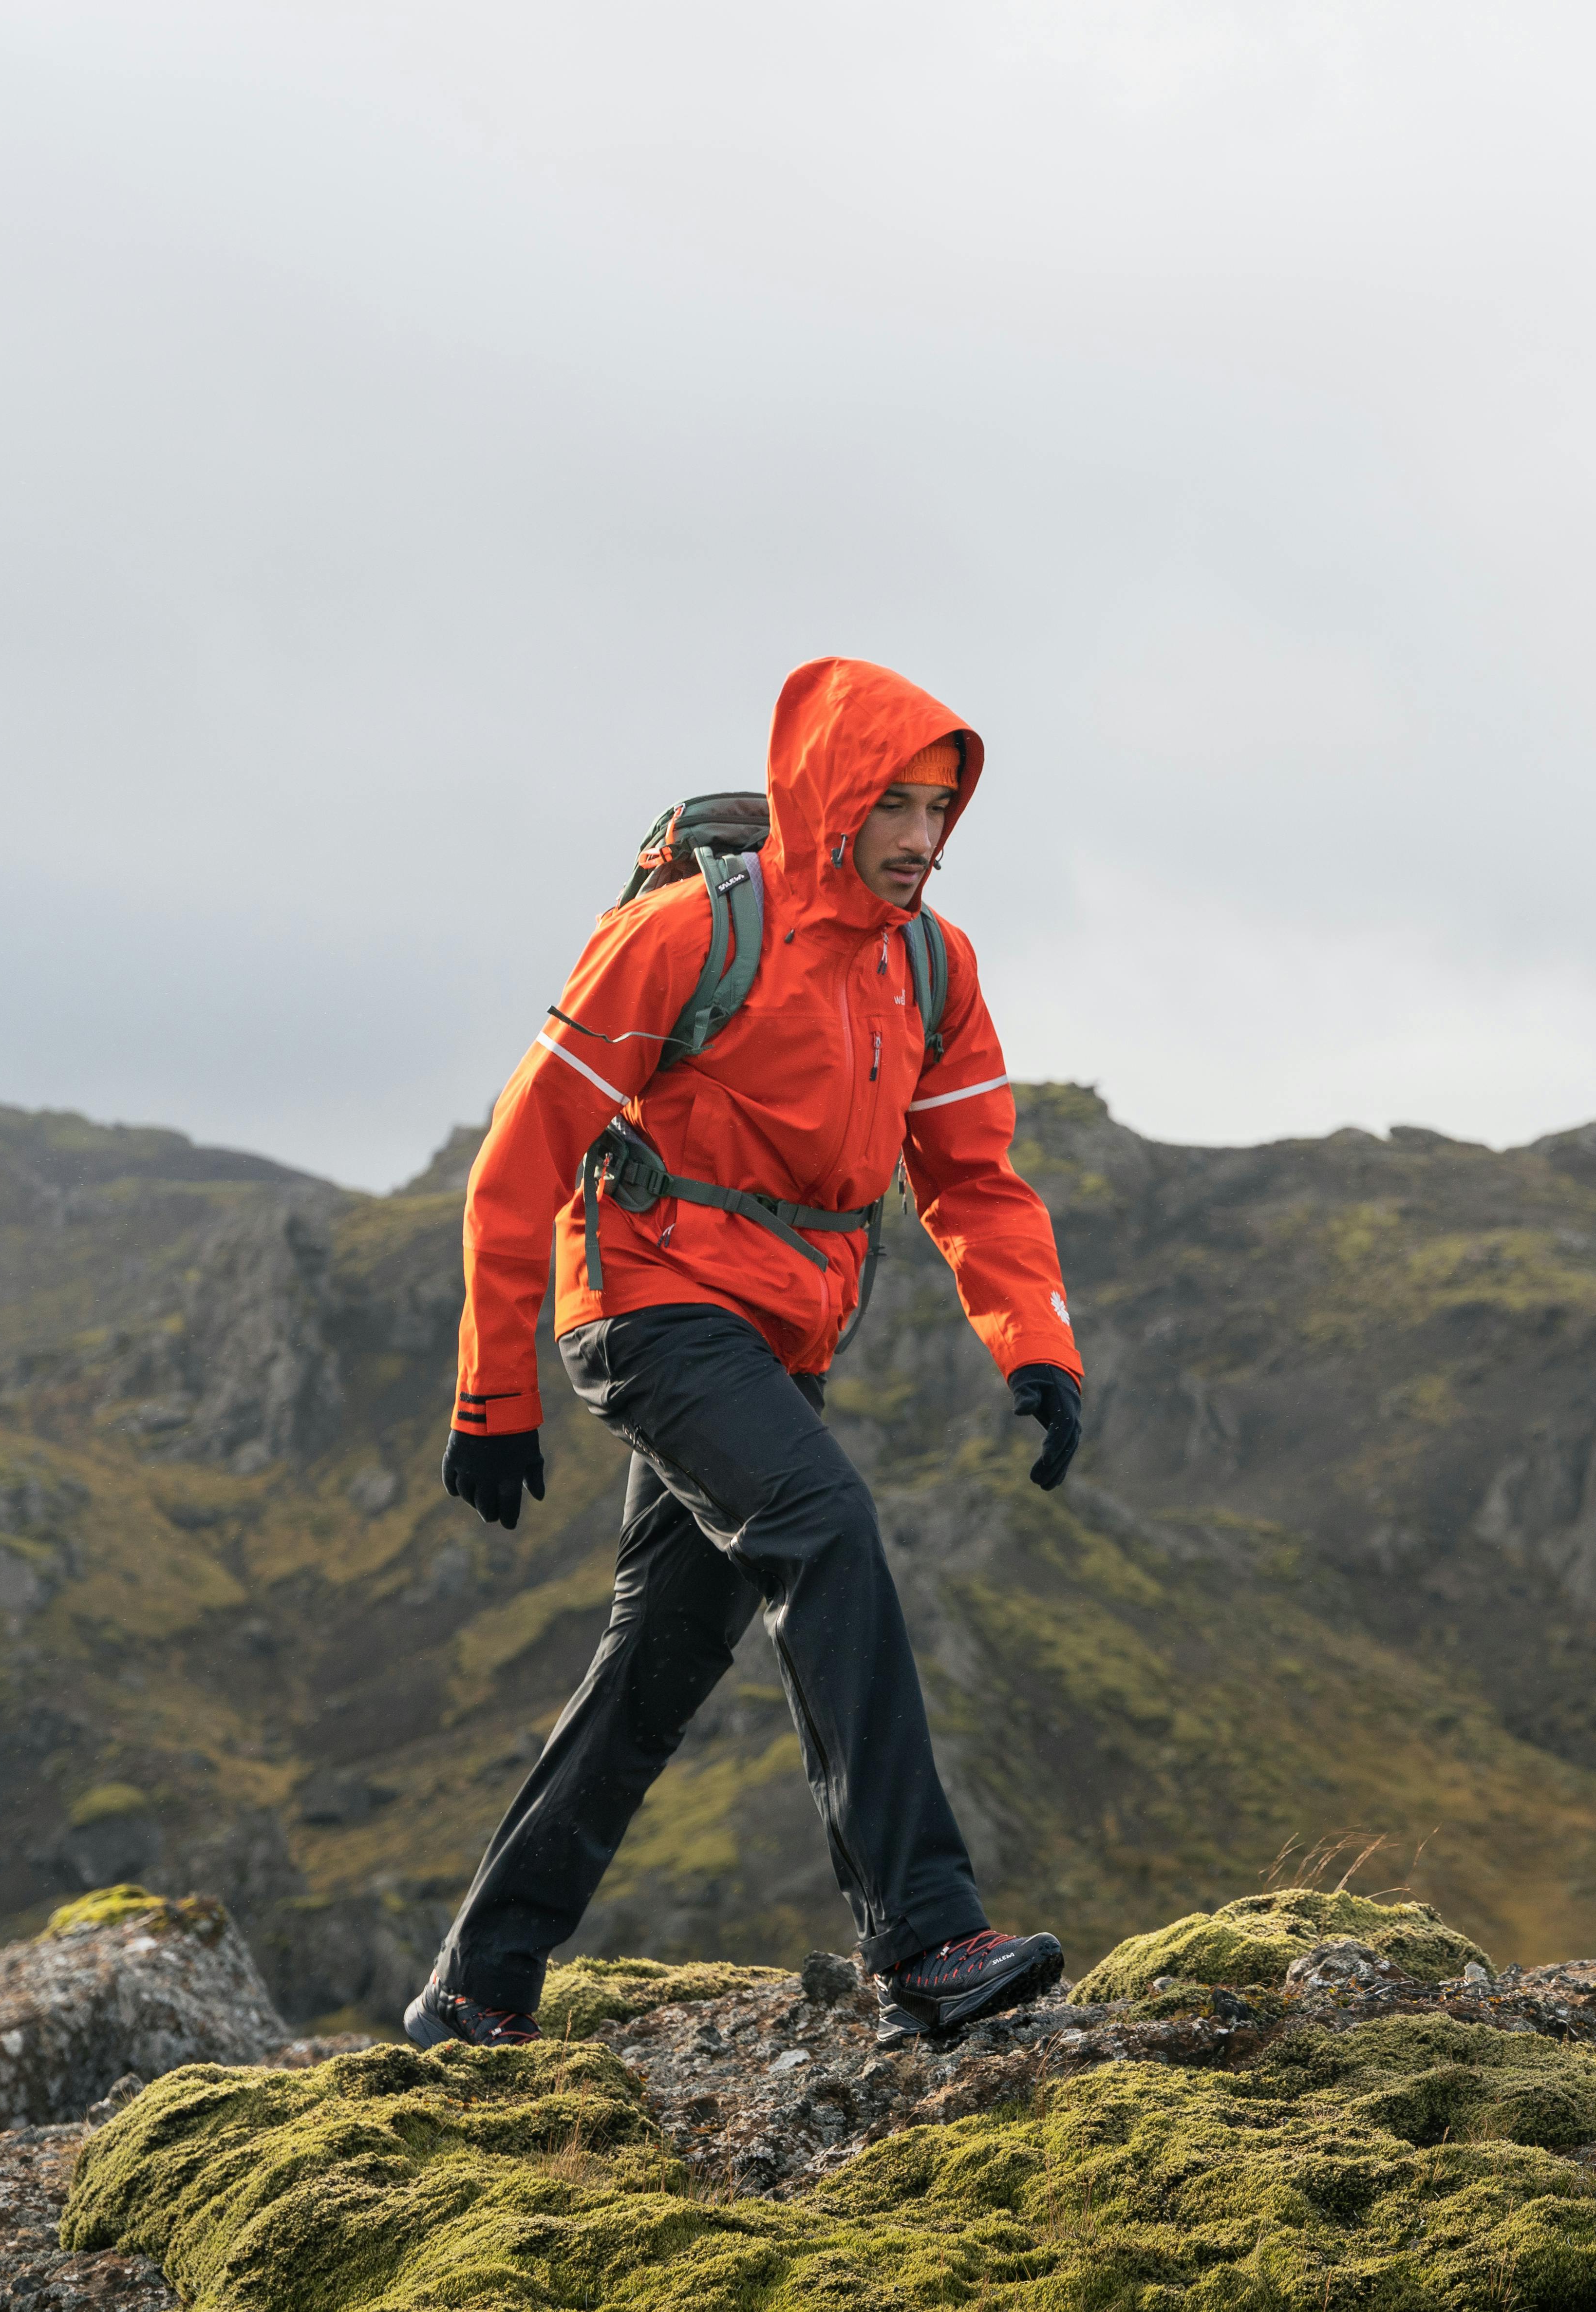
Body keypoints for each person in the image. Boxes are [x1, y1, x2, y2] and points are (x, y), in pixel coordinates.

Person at [411, 657, 1088, 2047]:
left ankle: (472, 1989)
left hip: (782, 1338)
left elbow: (972, 1177)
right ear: (826, 795)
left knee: (654, 1664)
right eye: (892, 803)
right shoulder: (683, 936)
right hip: (647, 1304)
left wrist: (1036, 1345)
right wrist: (494, 1390)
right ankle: (928, 1935)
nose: (918, 837)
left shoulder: (929, 964)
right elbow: (515, 1161)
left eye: (939, 808)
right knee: (825, 1525)